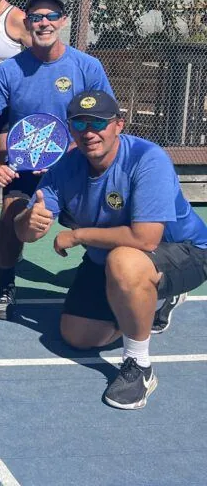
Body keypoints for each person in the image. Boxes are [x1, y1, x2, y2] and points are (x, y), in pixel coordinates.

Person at [15, 91, 207, 410]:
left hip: (185, 251)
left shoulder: (148, 158)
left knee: (125, 261)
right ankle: (151, 302)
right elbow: (28, 229)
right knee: (77, 336)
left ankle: (139, 366)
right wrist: (27, 221)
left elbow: (145, 239)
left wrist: (78, 235)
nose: (89, 131)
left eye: (98, 122)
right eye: (80, 123)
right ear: (71, 129)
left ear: (118, 124)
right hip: (107, 259)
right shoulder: (64, 169)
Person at [0, 0, 114, 321]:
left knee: (106, 222)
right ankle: (7, 284)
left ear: (63, 21)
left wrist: (76, 152)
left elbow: (106, 120)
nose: (44, 23)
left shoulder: (87, 66)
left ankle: (115, 283)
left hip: (74, 166)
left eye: (52, 16)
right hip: (24, 169)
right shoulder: (10, 70)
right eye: (37, 17)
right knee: (11, 219)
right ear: (27, 22)